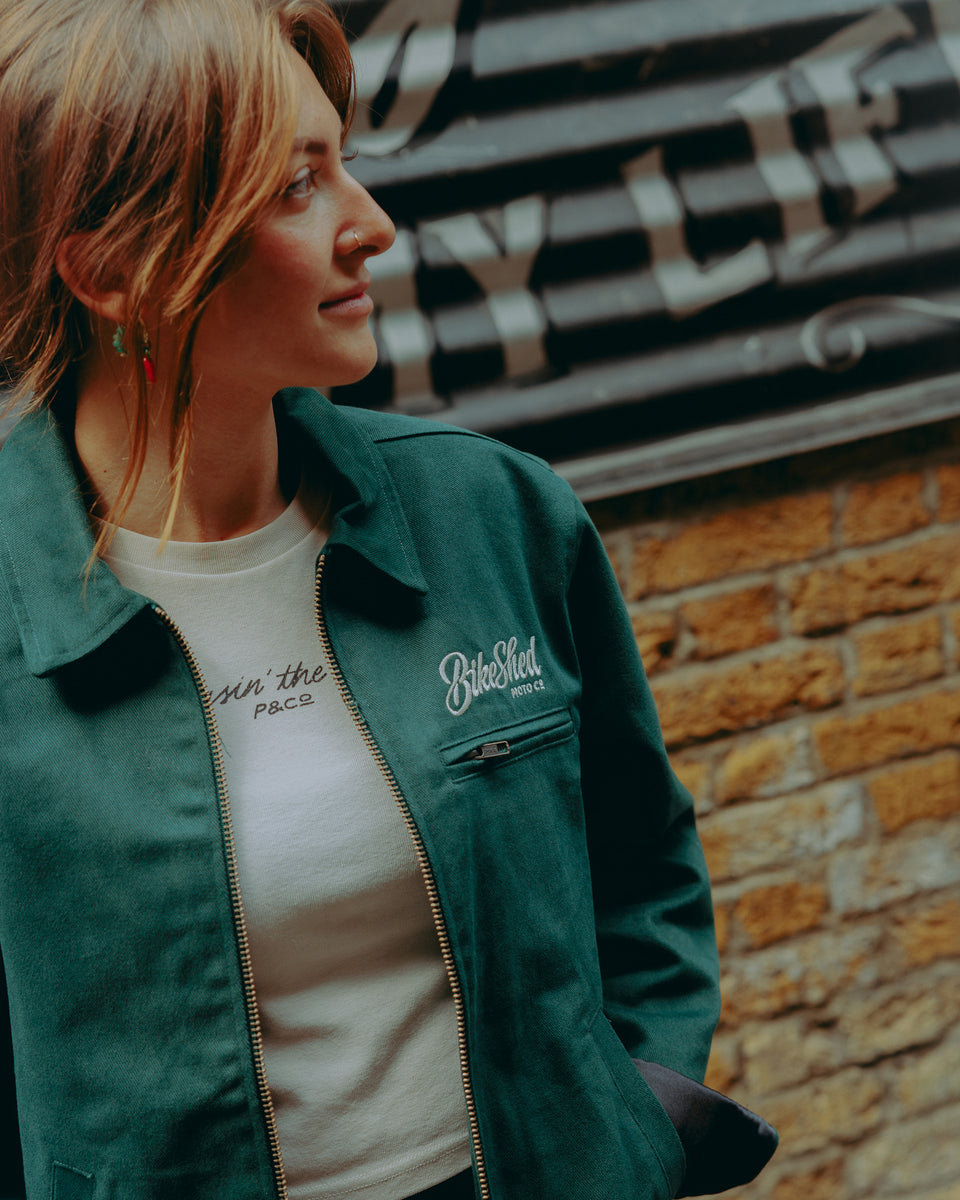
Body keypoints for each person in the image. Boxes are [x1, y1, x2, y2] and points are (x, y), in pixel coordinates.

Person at [0, 2, 776, 1198]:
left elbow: (642, 866)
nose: (372, 225)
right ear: (115, 268)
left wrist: (631, 1129)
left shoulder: (491, 518)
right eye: (296, 186)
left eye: (343, 163)